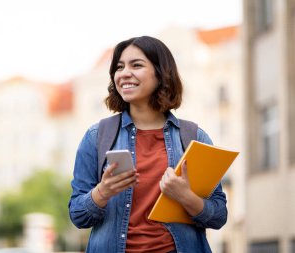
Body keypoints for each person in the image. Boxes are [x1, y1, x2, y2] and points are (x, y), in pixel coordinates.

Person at [68, 36, 227, 253]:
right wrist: (102, 192)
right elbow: (78, 215)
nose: (124, 73)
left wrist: (185, 197)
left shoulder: (194, 137)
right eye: (119, 67)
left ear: (161, 74)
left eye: (137, 65)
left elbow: (218, 216)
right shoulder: (97, 136)